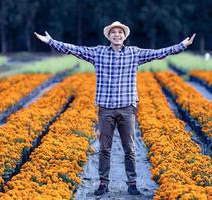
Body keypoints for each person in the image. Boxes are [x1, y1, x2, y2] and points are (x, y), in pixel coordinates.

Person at [34, 21, 195, 196]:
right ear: (109, 36)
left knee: (130, 148)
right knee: (104, 148)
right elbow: (75, 49)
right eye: (113, 32)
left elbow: (159, 54)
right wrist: (50, 41)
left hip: (127, 108)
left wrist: (181, 46)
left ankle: (132, 183)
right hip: (106, 109)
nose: (117, 35)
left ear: (124, 36)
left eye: (120, 32)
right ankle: (103, 183)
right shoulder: (98, 52)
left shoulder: (134, 53)